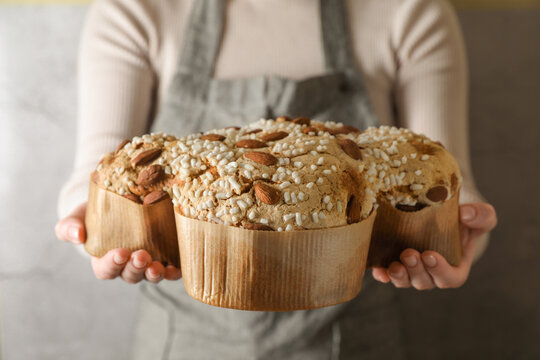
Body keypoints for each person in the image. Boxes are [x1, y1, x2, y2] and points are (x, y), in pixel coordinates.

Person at [55, 0, 497, 358]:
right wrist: (91, 227)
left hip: (354, 339)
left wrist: (460, 229)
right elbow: (100, 176)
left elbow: (444, 180)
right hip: (181, 341)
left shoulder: (410, 12)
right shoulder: (133, 10)